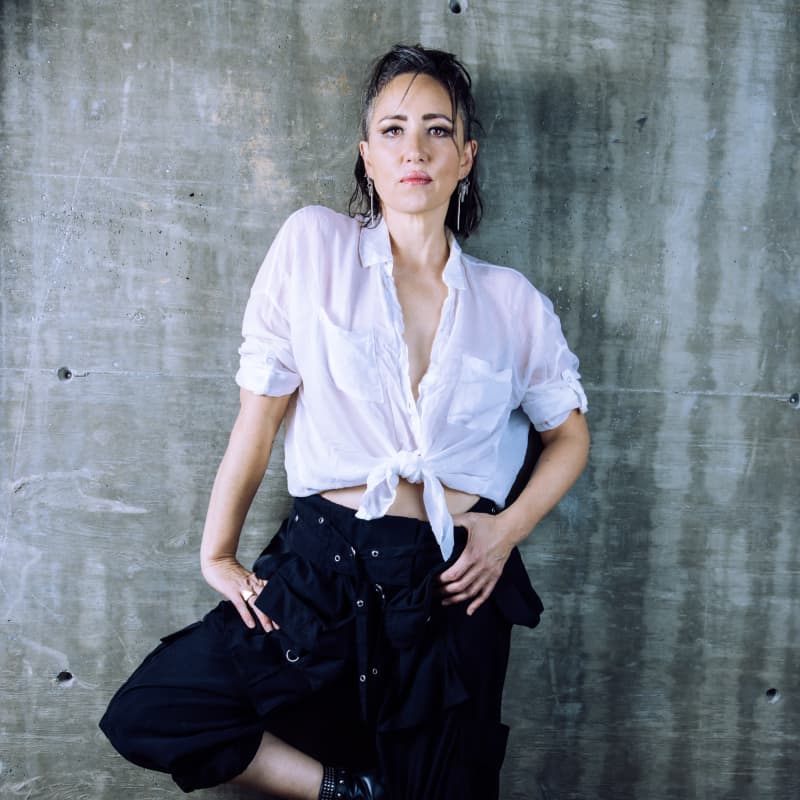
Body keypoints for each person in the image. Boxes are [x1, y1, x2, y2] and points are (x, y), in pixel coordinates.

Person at [99, 44, 590, 800]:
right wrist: (217, 553)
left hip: (454, 580)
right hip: (323, 567)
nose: (414, 149)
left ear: (466, 156)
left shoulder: (511, 300)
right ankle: (341, 791)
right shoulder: (314, 245)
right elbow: (257, 420)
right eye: (392, 130)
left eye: (436, 129)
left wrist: (507, 529)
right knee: (155, 709)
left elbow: (569, 433)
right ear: (367, 156)